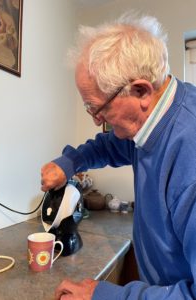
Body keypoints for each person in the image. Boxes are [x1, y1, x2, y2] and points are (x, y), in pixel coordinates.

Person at [41, 12, 196, 300]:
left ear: (141, 91)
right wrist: (69, 163)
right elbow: (109, 145)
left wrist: (105, 296)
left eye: (98, 109)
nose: (96, 119)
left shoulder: (190, 155)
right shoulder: (154, 118)